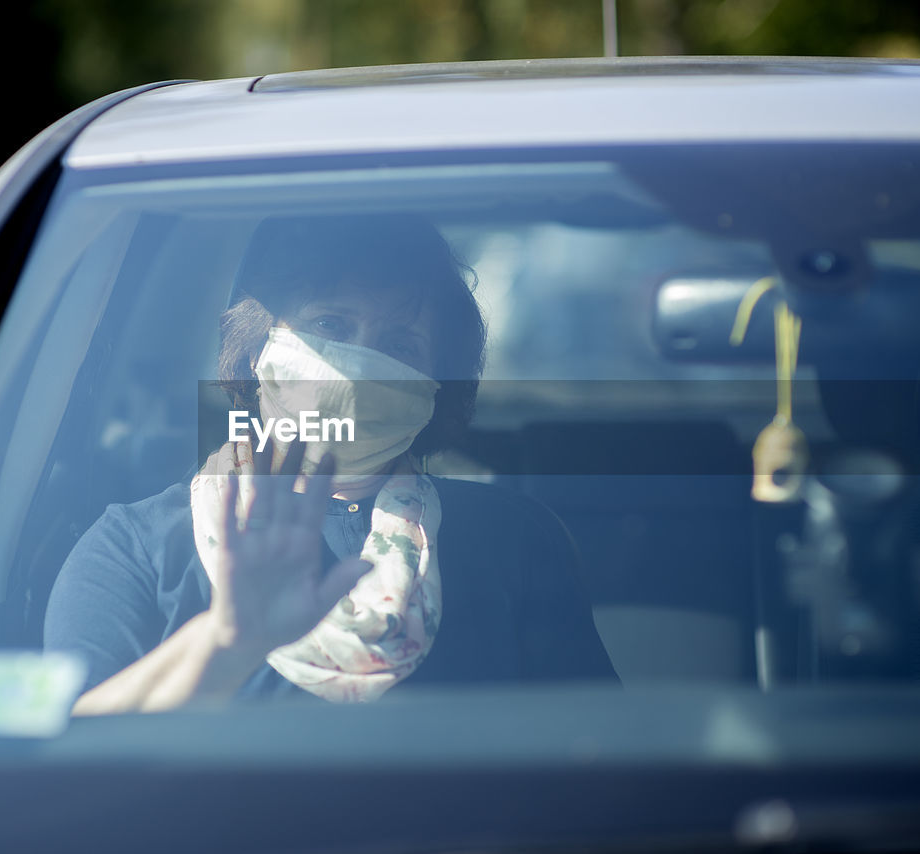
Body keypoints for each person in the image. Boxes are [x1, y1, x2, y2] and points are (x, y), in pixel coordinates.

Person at [45, 214, 617, 714]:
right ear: (255, 349)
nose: (360, 366)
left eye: (400, 344)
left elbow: (599, 767)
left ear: (435, 388)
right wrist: (226, 642)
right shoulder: (133, 549)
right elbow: (63, 771)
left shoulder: (511, 539)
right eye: (331, 327)